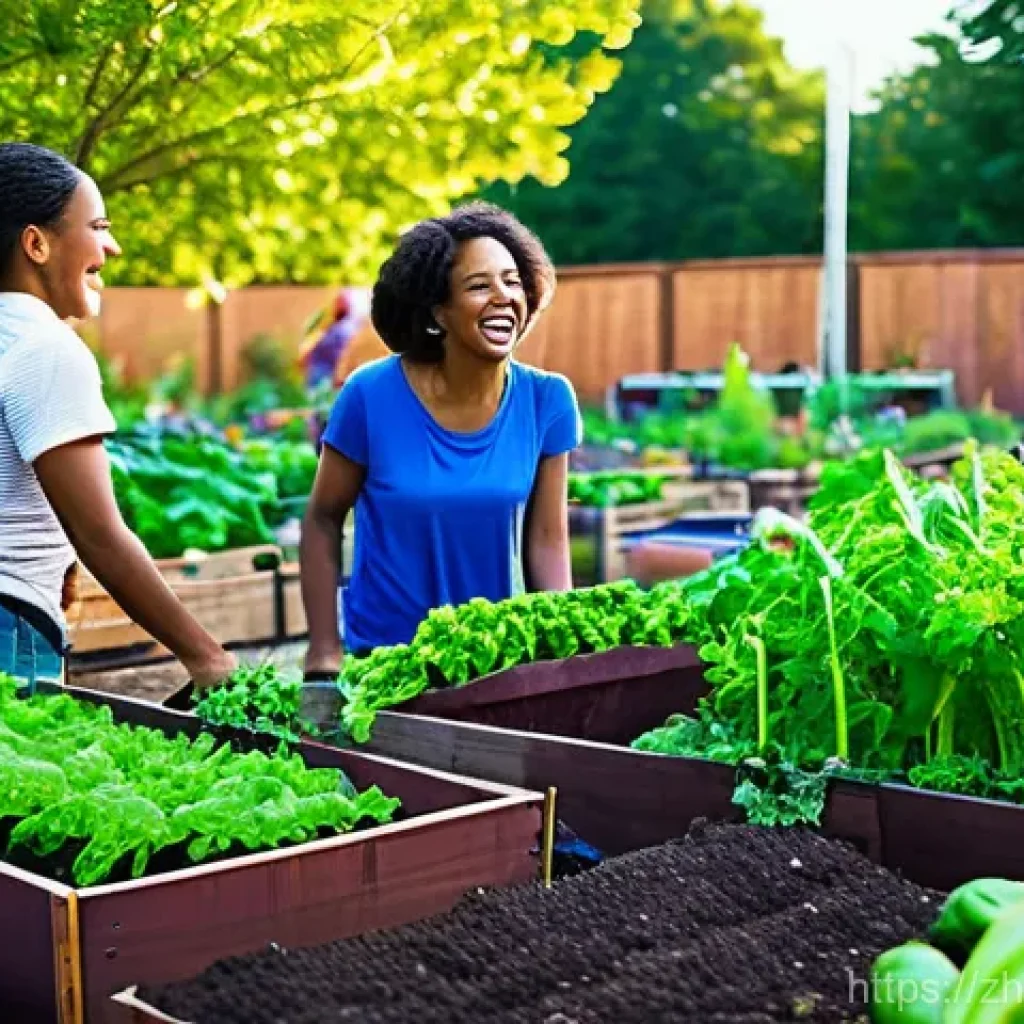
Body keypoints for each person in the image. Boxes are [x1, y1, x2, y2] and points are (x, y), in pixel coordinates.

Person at [301, 202, 580, 676]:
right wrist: (324, 652)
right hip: (388, 664)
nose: (502, 296)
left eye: (512, 282)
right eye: (478, 285)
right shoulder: (370, 395)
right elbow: (322, 521)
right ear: (437, 314)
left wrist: (565, 649)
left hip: (498, 661)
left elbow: (548, 541)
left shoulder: (547, 399)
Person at [0, 142, 236, 691]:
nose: (113, 246)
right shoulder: (44, 350)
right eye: (98, 225)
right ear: (36, 243)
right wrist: (206, 658)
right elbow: (99, 533)